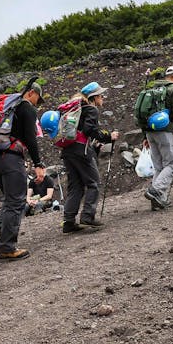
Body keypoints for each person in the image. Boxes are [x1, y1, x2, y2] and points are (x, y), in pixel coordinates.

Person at [0, 80, 48, 260]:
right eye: (38, 98)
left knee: (9, 200)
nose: (37, 103)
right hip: (12, 159)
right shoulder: (26, 108)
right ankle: (7, 247)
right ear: (31, 93)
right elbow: (30, 138)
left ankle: (0, 236)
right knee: (16, 201)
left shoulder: (8, 108)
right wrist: (38, 164)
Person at [58, 82, 119, 233]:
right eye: (101, 95)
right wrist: (108, 137)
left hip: (68, 151)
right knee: (93, 183)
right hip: (81, 151)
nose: (103, 97)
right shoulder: (91, 109)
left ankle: (69, 222)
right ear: (94, 97)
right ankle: (87, 217)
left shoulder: (76, 109)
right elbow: (89, 129)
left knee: (75, 186)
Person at [141, 66, 173, 210]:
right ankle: (155, 191)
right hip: (165, 130)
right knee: (171, 163)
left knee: (159, 166)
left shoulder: (152, 89)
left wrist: (145, 135)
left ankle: (158, 201)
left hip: (150, 131)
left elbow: (142, 113)